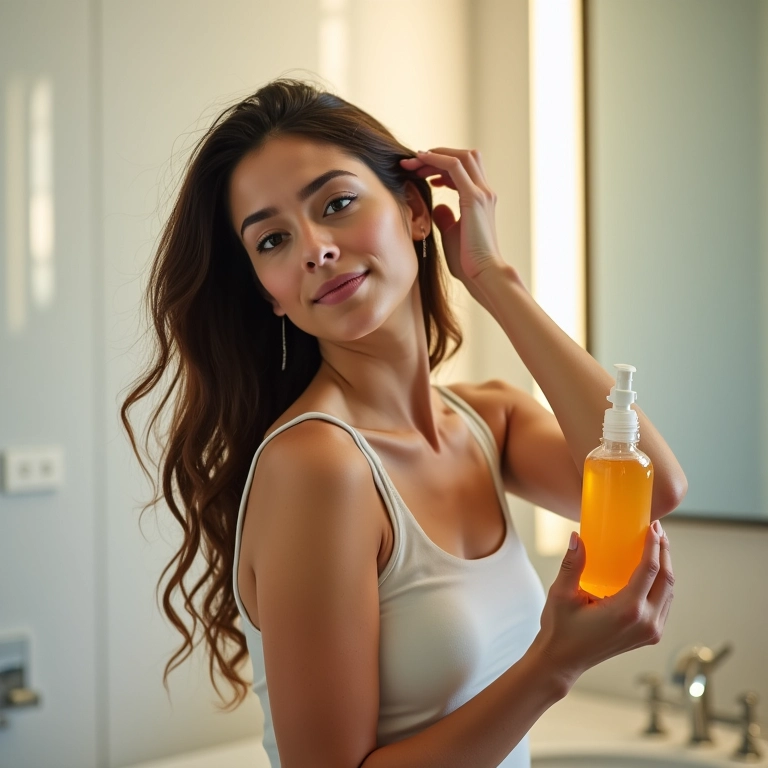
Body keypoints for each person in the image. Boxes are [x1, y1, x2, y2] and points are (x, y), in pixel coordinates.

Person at [121, 79, 687, 768]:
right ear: (267, 295)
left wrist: (492, 276)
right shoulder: (318, 468)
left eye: (336, 203)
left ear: (416, 210)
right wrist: (553, 665)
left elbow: (653, 492)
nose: (314, 248)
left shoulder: (488, 421)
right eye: (272, 240)